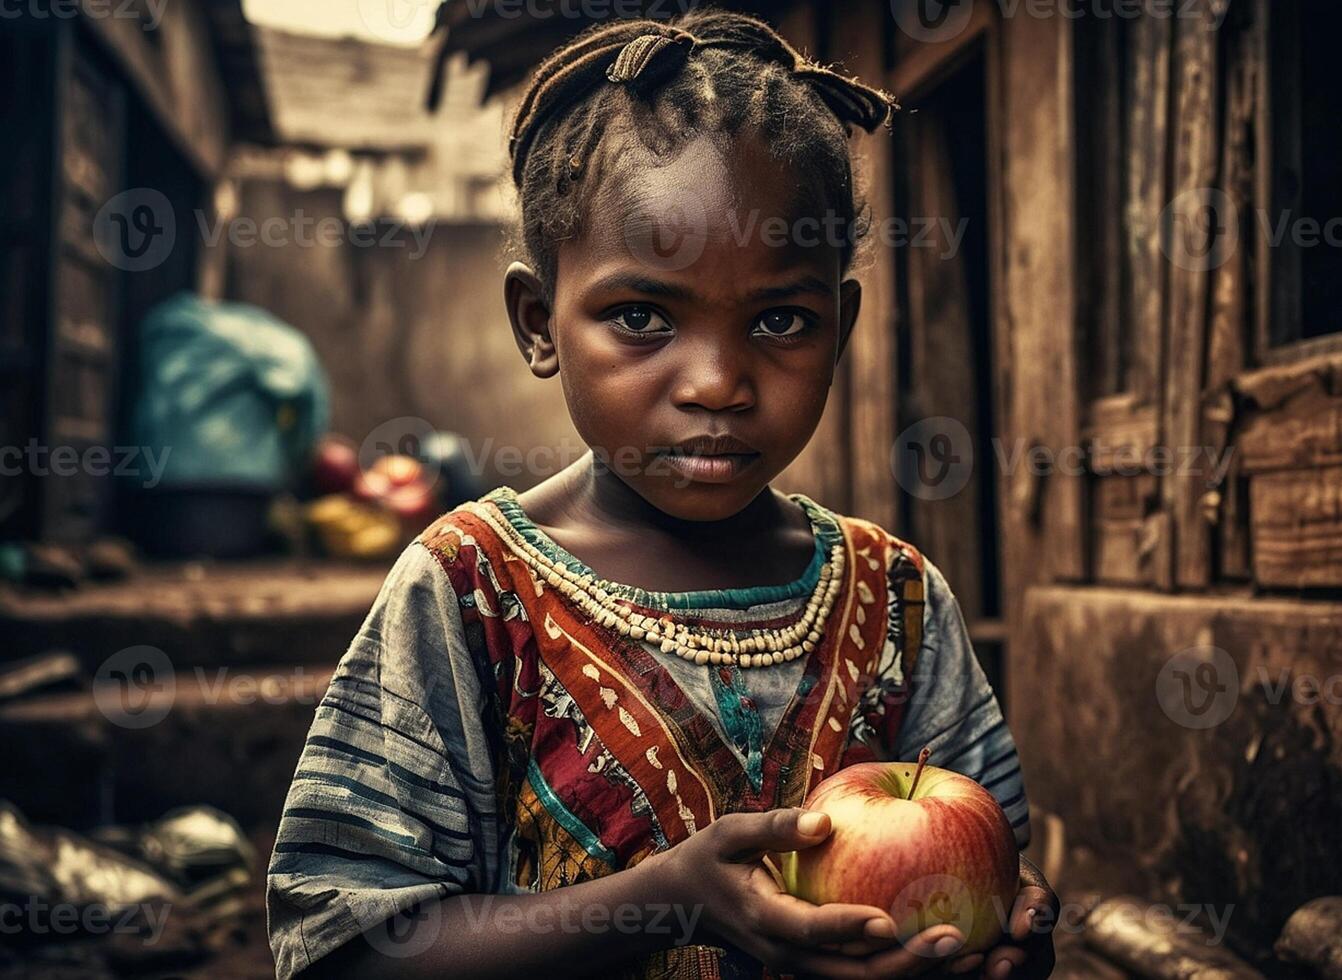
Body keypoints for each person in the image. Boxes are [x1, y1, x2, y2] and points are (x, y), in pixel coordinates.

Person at [266, 10, 1056, 980]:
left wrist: (1002, 938)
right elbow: (340, 947)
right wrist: (664, 900)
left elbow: (992, 869)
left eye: (781, 318)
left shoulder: (896, 601)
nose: (718, 380)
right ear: (538, 322)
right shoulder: (470, 592)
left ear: (841, 325)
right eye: (641, 315)